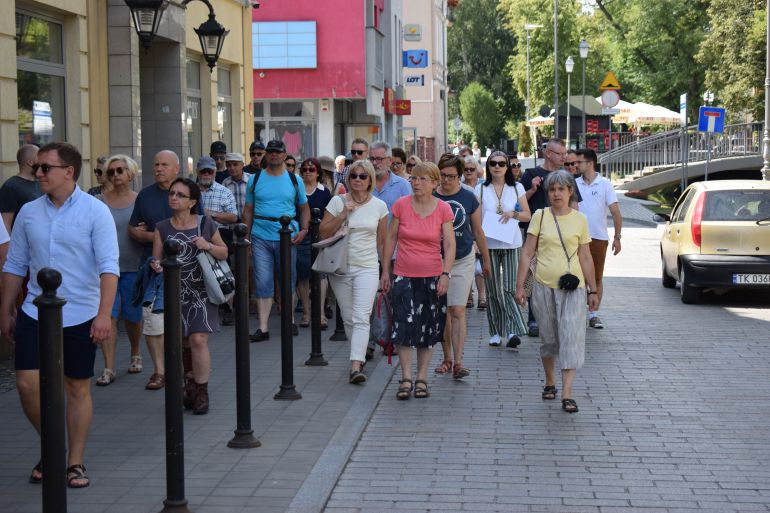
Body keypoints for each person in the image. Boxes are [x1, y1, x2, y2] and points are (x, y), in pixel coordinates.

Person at [1, 141, 118, 488]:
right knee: (26, 384)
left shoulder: (95, 211)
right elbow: (15, 264)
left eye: (44, 168)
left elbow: (108, 267)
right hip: (35, 311)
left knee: (76, 387)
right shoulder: (29, 211)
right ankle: (53, 444)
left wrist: (103, 315)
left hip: (81, 311)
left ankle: (74, 461)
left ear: (68, 172)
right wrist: (6, 310)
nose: (37, 174)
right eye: (37, 167)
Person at [514, 170, 598, 414]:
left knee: (571, 338)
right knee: (549, 339)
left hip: (573, 288)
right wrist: (520, 287)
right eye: (552, 189)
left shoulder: (579, 220)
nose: (557, 193)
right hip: (542, 285)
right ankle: (550, 380)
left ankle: (567, 394)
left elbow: (585, 256)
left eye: (562, 189)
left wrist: (593, 290)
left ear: (571, 191)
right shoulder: (540, 217)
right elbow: (527, 252)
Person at [151, 178, 228, 414]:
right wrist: (156, 265)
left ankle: (202, 390)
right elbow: (156, 258)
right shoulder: (162, 227)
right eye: (172, 193)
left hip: (202, 290)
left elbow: (224, 252)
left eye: (180, 195)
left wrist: (207, 245)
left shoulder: (205, 223)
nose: (174, 197)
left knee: (197, 340)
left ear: (192, 201)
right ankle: (190, 383)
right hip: (175, 292)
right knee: (183, 341)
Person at [380, 162, 455, 400]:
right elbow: (390, 239)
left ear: (435, 183)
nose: (417, 183)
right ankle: (405, 377)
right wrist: (385, 271)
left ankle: (421, 377)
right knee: (403, 328)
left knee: (428, 328)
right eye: (414, 179)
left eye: (423, 179)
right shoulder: (401, 206)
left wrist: (446, 273)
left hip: (432, 276)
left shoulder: (443, 209)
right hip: (403, 274)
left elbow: (450, 244)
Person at [129, 150, 197, 390]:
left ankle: (185, 369)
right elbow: (133, 230)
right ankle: (160, 371)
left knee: (184, 324)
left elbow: (198, 227)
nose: (158, 168)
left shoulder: (189, 191)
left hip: (187, 269)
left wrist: (160, 234)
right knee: (153, 322)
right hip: (153, 267)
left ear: (176, 168)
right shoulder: (145, 196)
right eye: (156, 164)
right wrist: (156, 235)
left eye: (164, 165)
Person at [320, 160, 388, 383]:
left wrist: (385, 271)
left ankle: (355, 366)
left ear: (370, 180)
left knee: (360, 317)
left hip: (367, 267)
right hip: (340, 267)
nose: (358, 180)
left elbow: (382, 242)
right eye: (354, 176)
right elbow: (323, 232)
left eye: (363, 176)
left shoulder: (379, 206)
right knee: (349, 318)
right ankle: (358, 353)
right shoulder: (338, 201)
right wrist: (343, 215)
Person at [242, 139, 310, 342]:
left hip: (287, 235)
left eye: (277, 152)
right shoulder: (255, 180)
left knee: (288, 279)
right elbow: (248, 210)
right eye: (269, 152)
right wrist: (246, 237)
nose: (273, 155)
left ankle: (288, 321)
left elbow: (304, 208)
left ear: (284, 154)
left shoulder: (294, 179)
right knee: (262, 281)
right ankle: (263, 328)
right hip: (260, 235)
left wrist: (305, 229)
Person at [433, 153, 490, 379]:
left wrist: (486, 260)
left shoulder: (468, 197)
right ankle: (446, 357)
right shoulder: (432, 197)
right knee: (443, 312)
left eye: (451, 176)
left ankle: (458, 362)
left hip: (463, 258)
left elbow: (478, 231)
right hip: (435, 260)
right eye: (442, 175)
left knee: (457, 309)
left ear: (460, 176)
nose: (446, 180)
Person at [519, 138, 581, 337]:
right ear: (548, 154)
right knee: (534, 275)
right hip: (536, 233)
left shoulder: (566, 177)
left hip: (562, 236)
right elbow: (518, 205)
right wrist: (532, 189)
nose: (564, 157)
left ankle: (559, 315)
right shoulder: (531, 174)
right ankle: (534, 318)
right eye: (560, 154)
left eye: (565, 154)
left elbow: (575, 206)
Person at [95, 155, 144, 386]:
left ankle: (135, 352)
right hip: (106, 270)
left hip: (134, 266)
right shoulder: (98, 202)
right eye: (111, 171)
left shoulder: (139, 201)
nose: (115, 175)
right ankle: (109, 367)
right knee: (109, 315)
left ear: (130, 173)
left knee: (133, 317)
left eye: (120, 171)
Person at [477, 151, 532, 348]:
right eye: (493, 163)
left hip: (512, 243)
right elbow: (475, 220)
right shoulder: (480, 189)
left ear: (508, 166)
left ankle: (512, 330)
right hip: (489, 245)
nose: (497, 166)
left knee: (509, 288)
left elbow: (528, 215)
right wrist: (477, 243)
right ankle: (495, 332)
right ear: (488, 166)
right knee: (492, 290)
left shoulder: (517, 187)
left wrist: (513, 213)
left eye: (501, 163)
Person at [575, 148, 622, 329]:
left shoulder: (604, 184)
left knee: (596, 278)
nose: (576, 165)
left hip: (598, 238)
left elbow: (616, 212)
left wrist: (617, 237)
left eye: (579, 162)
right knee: (578, 278)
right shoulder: (574, 183)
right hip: (576, 239)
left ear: (590, 163)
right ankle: (578, 313)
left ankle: (594, 314)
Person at [196, 155, 238, 325]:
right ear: (198, 172)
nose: (206, 174)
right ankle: (203, 307)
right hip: (195, 235)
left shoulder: (224, 191)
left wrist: (211, 214)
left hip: (220, 234)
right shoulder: (190, 190)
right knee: (200, 273)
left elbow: (233, 217)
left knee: (222, 272)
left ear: (215, 172)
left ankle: (228, 308)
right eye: (203, 171)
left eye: (210, 171)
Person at [296, 158, 332, 329]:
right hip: (301, 238)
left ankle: (321, 314)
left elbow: (329, 215)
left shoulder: (324, 192)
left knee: (321, 275)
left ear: (318, 172)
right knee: (302, 275)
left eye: (311, 169)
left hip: (320, 238)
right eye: (304, 169)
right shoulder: (296, 190)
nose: (307, 172)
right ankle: (306, 312)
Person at [462, 155, 487, 310]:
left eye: (472, 168)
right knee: (467, 264)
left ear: (477, 170)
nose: (469, 171)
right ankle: (468, 295)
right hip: (466, 229)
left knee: (480, 265)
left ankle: (482, 297)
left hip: (482, 227)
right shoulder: (460, 186)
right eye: (466, 169)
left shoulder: (483, 185)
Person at [0, 144, 41, 233]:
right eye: (39, 157)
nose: (43, 161)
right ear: (30, 162)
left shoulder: (41, 182)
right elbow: (5, 223)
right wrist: (11, 246)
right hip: (22, 244)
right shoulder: (10, 186)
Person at [370, 141, 411, 213]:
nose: (374, 163)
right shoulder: (363, 183)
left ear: (390, 160)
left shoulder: (403, 185)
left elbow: (409, 214)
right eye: (372, 159)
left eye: (379, 159)